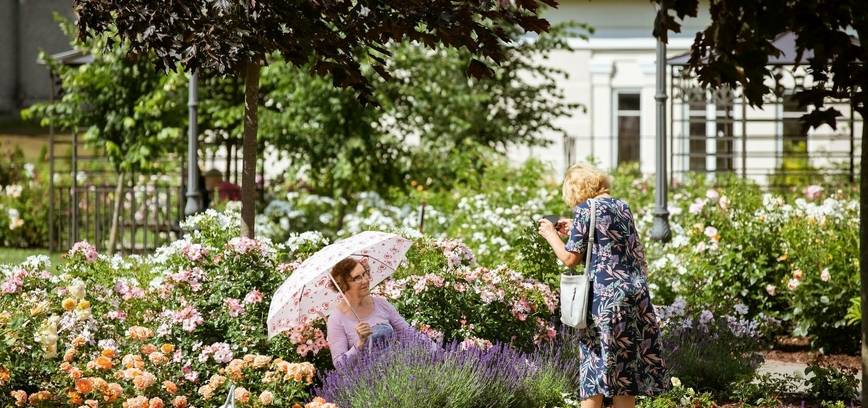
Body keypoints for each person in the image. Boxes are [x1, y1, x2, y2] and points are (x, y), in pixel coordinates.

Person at [538, 163, 669, 408]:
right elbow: (622, 247)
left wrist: (550, 234)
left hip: (604, 301)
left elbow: (569, 258)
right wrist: (574, 226)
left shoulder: (586, 209)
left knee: (593, 368)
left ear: (577, 189)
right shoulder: (622, 206)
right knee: (624, 373)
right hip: (634, 297)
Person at [325, 257, 416, 367]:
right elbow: (340, 365)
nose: (365, 280)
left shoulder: (381, 304)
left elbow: (411, 334)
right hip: (367, 382)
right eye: (357, 278)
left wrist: (440, 353)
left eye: (364, 274)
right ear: (343, 285)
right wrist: (360, 343)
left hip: (400, 374)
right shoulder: (336, 320)